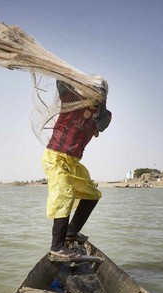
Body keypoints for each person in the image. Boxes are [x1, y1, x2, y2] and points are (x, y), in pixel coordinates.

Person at [42, 79, 111, 259]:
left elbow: (102, 126)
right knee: (63, 195)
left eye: (99, 92)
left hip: (73, 162)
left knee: (93, 194)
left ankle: (71, 232)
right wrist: (77, 79)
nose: (95, 94)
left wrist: (102, 104)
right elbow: (60, 82)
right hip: (55, 157)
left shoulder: (103, 114)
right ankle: (57, 246)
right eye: (93, 91)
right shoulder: (72, 100)